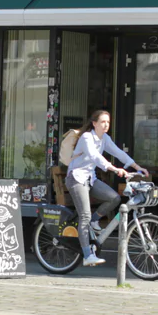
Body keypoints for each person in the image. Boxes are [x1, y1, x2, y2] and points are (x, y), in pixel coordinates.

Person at [65, 109, 147, 267]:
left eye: (108, 122)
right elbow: (96, 157)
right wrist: (115, 169)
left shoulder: (105, 139)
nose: (106, 125)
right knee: (85, 216)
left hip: (90, 178)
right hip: (76, 178)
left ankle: (94, 221)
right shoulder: (87, 137)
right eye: (102, 122)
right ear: (94, 123)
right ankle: (88, 255)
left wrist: (137, 167)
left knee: (114, 198)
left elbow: (118, 152)